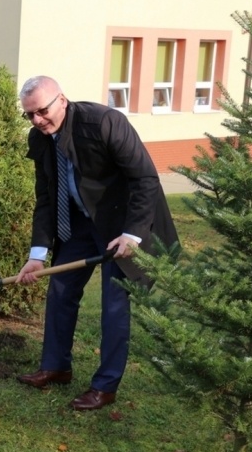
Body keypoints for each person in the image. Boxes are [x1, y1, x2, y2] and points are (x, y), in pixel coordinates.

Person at [15, 76, 179, 410]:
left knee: (114, 304)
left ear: (62, 100)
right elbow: (46, 197)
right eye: (29, 114)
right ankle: (56, 366)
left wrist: (133, 234)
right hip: (80, 224)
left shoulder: (104, 123)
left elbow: (145, 178)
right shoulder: (40, 138)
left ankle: (105, 386)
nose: (37, 120)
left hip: (122, 226)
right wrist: (38, 254)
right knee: (61, 290)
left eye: (42, 111)